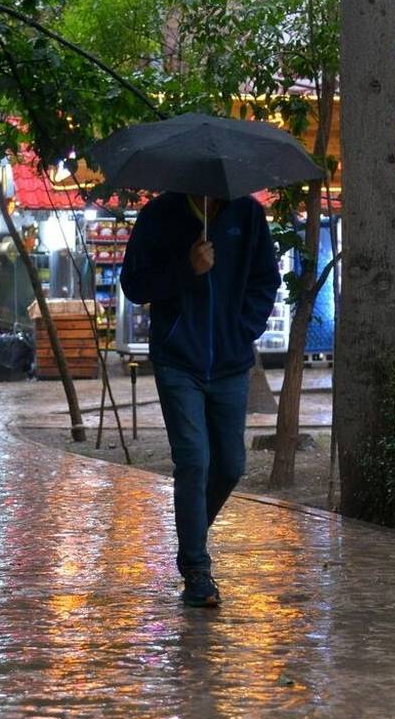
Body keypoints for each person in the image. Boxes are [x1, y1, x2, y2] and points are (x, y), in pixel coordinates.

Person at [120, 192, 280, 607]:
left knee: (230, 464)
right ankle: (197, 570)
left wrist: (243, 327)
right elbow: (134, 284)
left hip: (230, 361)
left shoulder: (247, 215)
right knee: (193, 459)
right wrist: (186, 269)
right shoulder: (159, 215)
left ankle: (190, 538)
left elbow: (266, 280)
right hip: (178, 361)